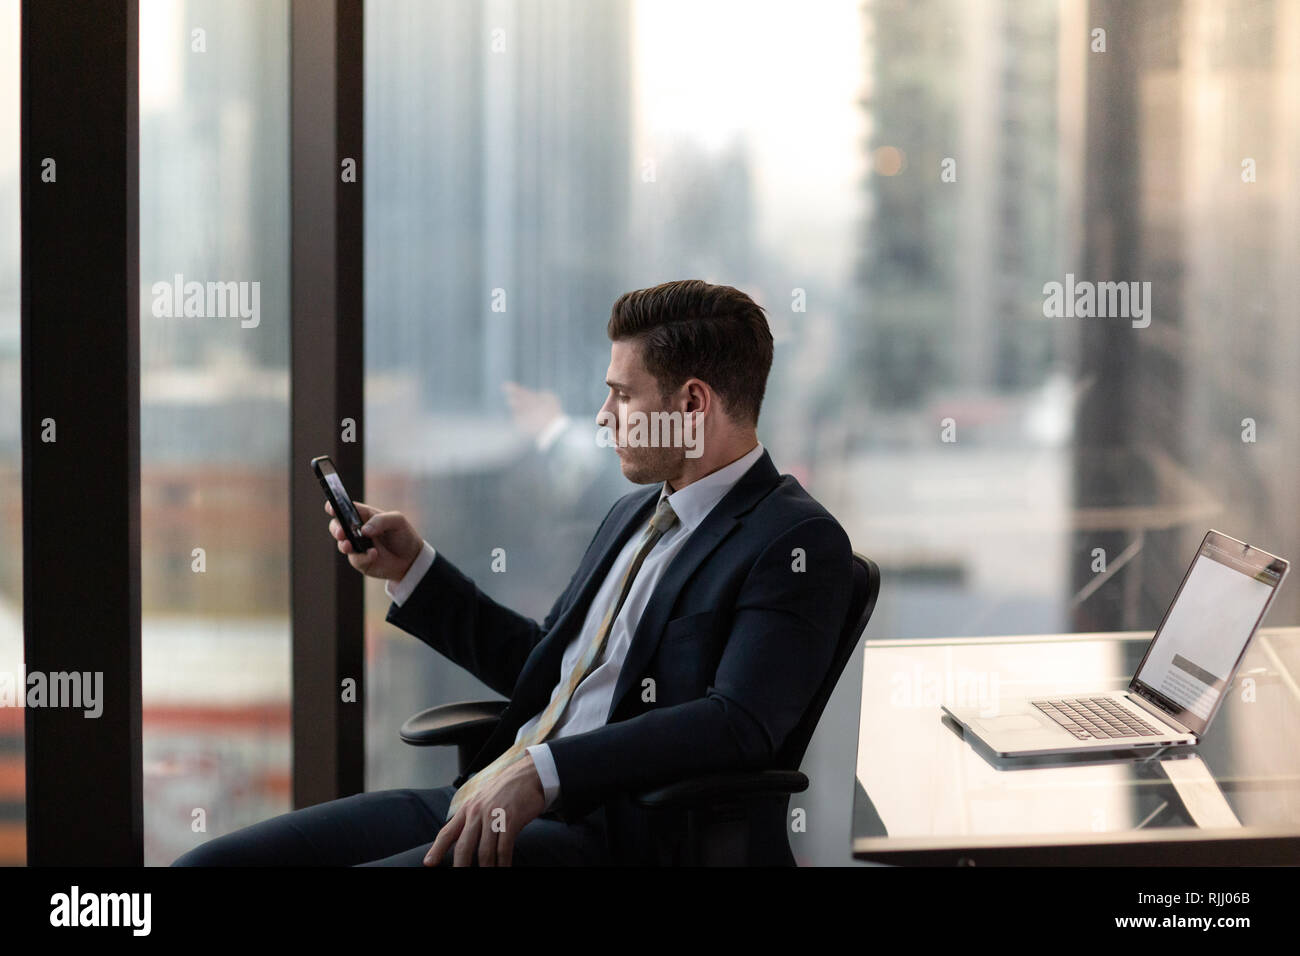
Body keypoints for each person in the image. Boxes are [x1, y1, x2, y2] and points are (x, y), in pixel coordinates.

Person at [172, 278, 854, 866]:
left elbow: (736, 723)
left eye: (622, 396)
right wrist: (414, 571)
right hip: (492, 796)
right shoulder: (633, 515)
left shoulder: (793, 542)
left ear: (692, 405)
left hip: (613, 834)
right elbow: (547, 666)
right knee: (210, 863)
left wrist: (546, 773)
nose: (601, 417)